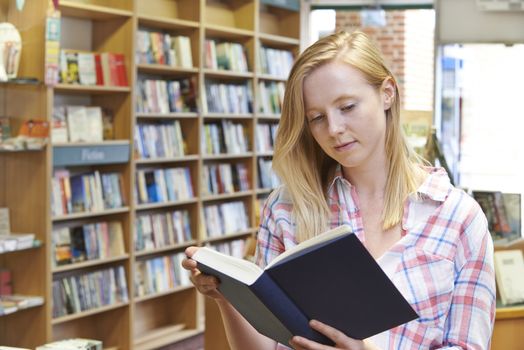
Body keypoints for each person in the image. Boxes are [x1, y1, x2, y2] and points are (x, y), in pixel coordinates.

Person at [182, 31, 495, 350]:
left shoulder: (459, 218)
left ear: (387, 93)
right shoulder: (287, 209)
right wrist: (226, 297)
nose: (333, 129)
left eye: (347, 107)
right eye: (316, 118)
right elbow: (268, 346)